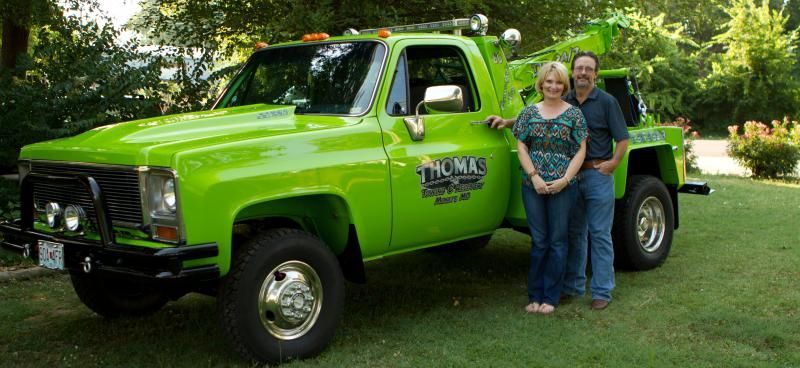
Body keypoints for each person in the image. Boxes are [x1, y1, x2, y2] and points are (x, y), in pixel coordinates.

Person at [488, 51, 629, 311]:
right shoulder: (565, 98)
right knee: (574, 233)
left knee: (599, 234)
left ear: (595, 73)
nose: (583, 73)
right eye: (579, 68)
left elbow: (623, 138)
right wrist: (506, 122)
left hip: (596, 174)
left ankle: (601, 291)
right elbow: (539, 117)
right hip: (570, 179)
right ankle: (573, 287)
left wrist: (613, 164)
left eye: (589, 69)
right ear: (573, 73)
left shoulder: (607, 102)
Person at [488, 62, 587, 314]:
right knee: (540, 241)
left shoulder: (574, 114)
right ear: (541, 84)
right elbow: (522, 146)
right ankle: (535, 295)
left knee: (558, 241)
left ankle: (551, 297)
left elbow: (581, 150)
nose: (553, 86)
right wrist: (534, 177)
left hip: (563, 186)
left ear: (564, 85)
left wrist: (565, 179)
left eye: (558, 82)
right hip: (533, 185)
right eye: (548, 81)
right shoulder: (528, 113)